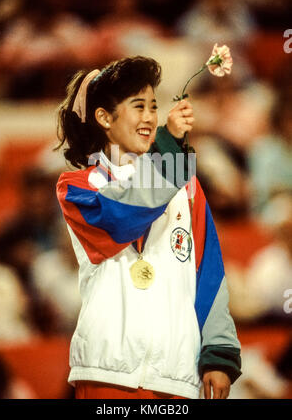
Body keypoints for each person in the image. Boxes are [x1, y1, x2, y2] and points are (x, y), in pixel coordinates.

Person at [55, 56, 241, 399]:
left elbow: (210, 277)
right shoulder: (79, 187)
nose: (150, 117)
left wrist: (219, 353)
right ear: (104, 118)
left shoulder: (187, 189)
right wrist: (168, 148)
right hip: (106, 375)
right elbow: (120, 218)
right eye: (138, 106)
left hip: (176, 376)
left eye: (154, 106)